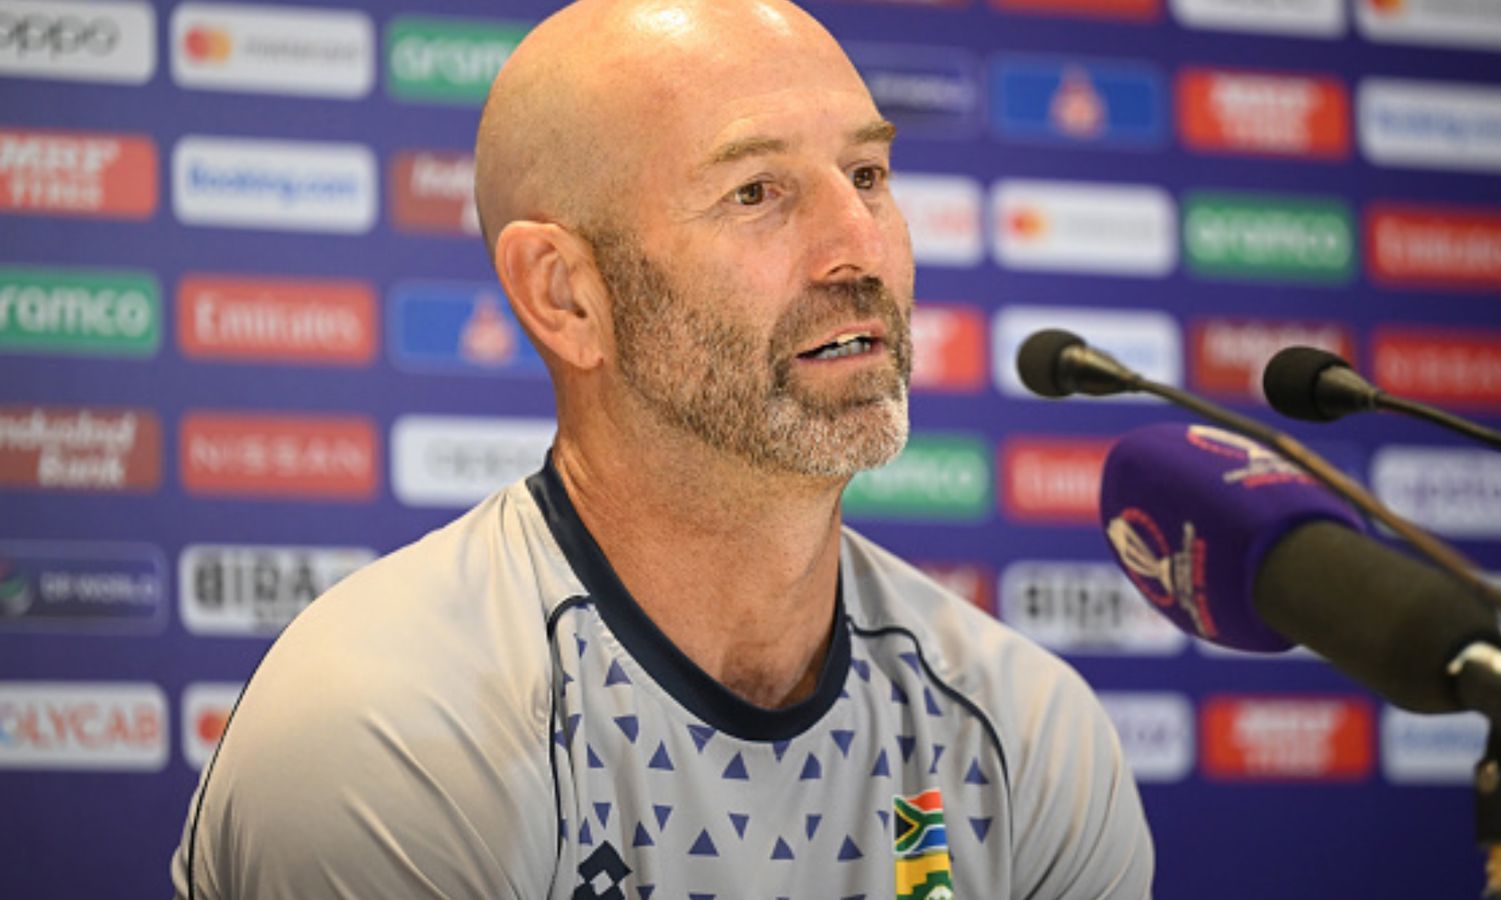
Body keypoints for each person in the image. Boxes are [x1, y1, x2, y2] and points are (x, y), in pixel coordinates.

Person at [170, 0, 1154, 896]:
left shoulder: (1024, 734)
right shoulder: (388, 730)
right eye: (755, 191)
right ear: (566, 294)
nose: (858, 247)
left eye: (866, 176)